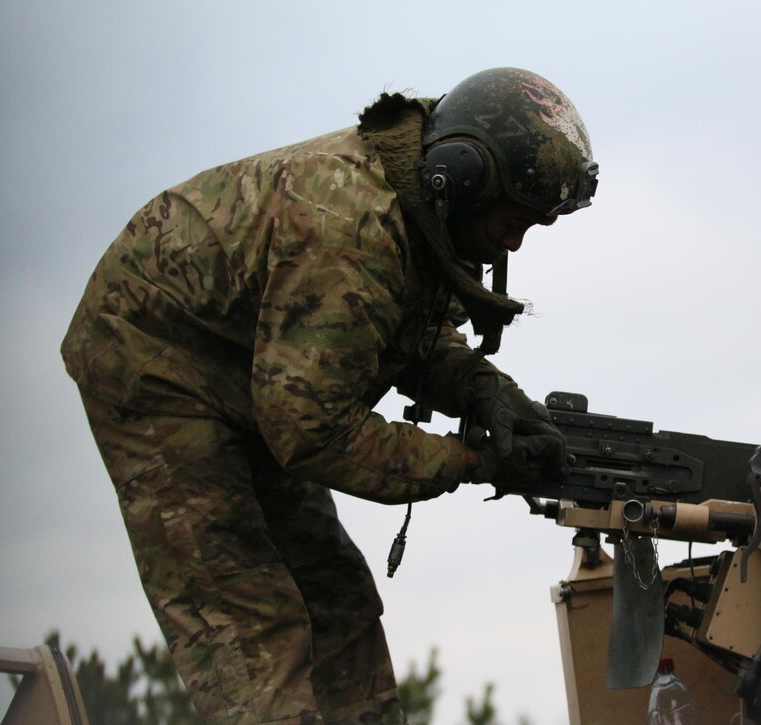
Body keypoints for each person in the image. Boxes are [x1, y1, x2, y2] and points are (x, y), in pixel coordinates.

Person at [60, 67, 598, 723]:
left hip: (258, 368)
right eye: (512, 221)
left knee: (335, 594)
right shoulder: (348, 226)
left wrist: (485, 390)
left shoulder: (422, 208)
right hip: (154, 355)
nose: (513, 242)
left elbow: (400, 333)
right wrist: (470, 462)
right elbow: (312, 430)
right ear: (463, 175)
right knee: (248, 613)